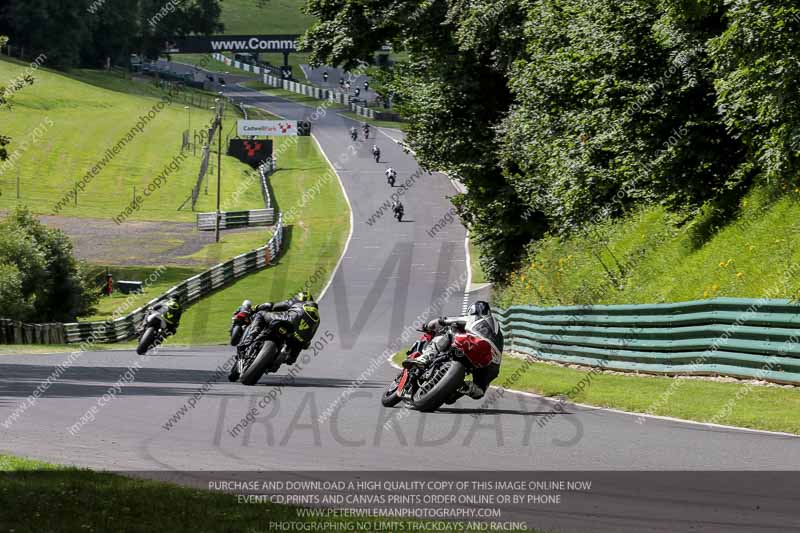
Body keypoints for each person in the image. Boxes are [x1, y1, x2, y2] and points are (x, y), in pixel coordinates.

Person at [404, 301, 502, 401]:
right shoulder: (497, 329)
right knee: (479, 390)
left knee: (451, 332)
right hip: (492, 362)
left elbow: (444, 320)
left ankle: (426, 357)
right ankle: (460, 388)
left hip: (475, 343)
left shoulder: (475, 318)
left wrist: (427, 326)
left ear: (473, 310)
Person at [236, 291, 319, 365]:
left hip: (286, 322)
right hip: (298, 339)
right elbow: (307, 342)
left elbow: (272, 306)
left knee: (261, 314)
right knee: (291, 358)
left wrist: (254, 309)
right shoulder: (317, 318)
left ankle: (247, 342)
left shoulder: (297, 302)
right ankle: (280, 360)